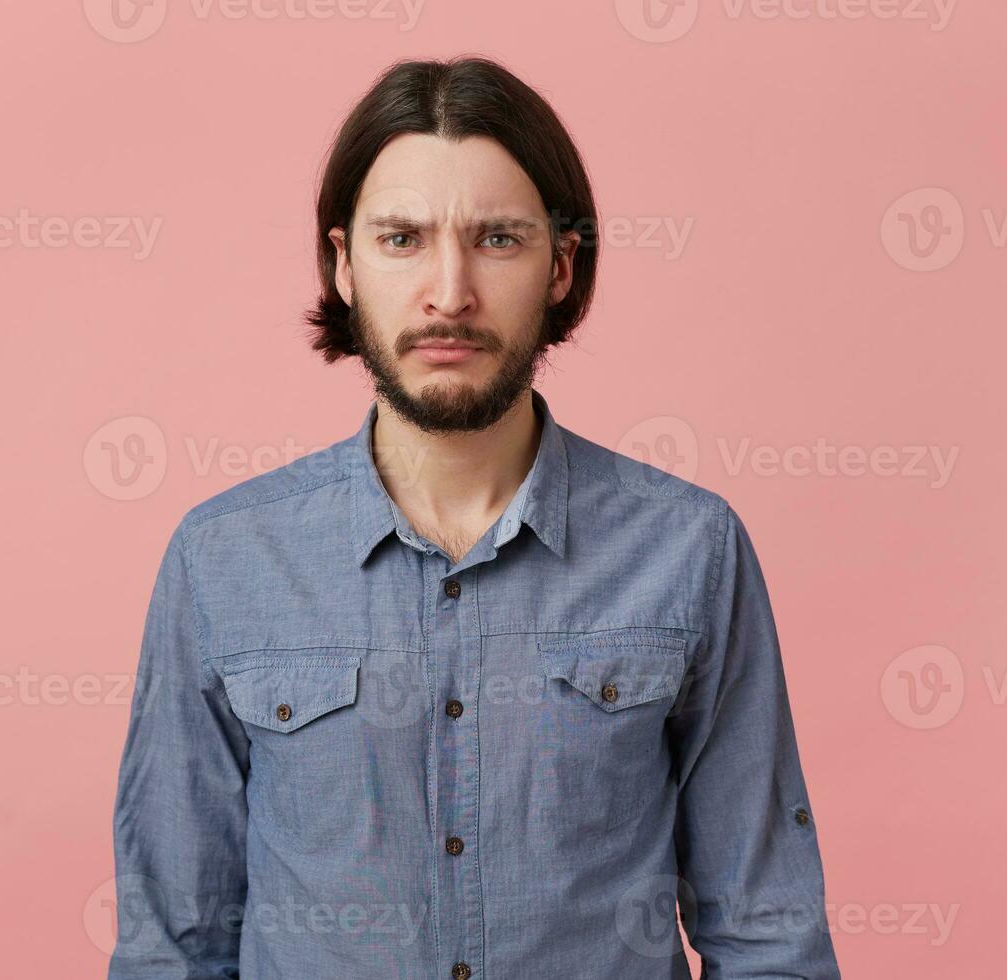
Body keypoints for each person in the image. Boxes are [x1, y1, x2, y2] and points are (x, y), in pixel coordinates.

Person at [108, 55, 841, 980]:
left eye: (497, 239)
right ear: (342, 264)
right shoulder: (223, 561)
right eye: (402, 238)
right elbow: (173, 945)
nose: (449, 292)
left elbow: (767, 930)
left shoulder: (689, 551)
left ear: (562, 267)